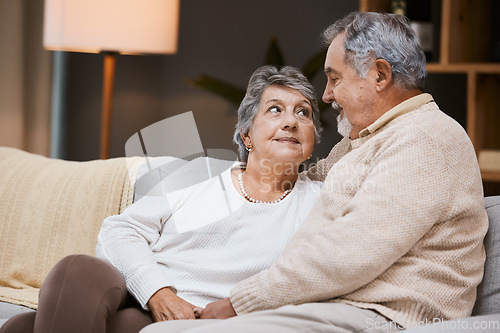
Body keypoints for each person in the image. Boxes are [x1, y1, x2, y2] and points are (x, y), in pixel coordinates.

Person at [139, 11, 488, 333]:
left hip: (386, 316)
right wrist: (225, 173)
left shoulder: (424, 138)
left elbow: (351, 254)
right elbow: (305, 179)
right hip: (345, 307)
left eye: (334, 78)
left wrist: (239, 303)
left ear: (380, 75)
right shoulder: (368, 139)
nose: (327, 94)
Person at [0, 65, 324, 333]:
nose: (291, 121)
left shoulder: (317, 202)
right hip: (138, 294)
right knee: (77, 270)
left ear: (312, 140)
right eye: (275, 109)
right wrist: (158, 292)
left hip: (198, 323)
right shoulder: (203, 172)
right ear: (247, 135)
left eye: (303, 113)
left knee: (21, 329)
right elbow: (119, 232)